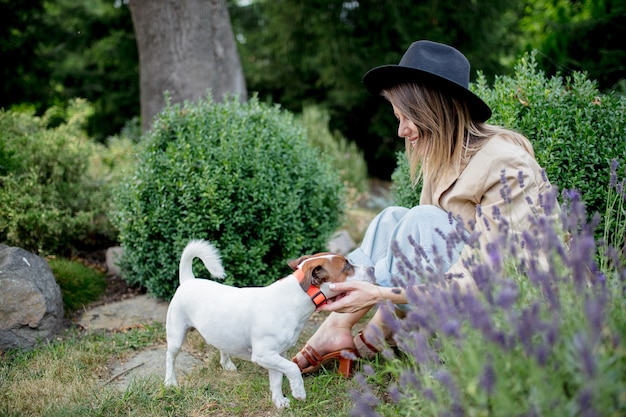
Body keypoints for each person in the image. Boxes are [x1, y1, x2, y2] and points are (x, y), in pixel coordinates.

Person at [291, 40, 556, 377]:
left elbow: (485, 277)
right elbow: (414, 257)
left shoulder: (505, 164)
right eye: (398, 117)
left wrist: (377, 292)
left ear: (436, 110)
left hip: (514, 310)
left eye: (407, 117)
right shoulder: (444, 155)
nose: (401, 130)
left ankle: (353, 319)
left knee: (419, 220)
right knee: (392, 219)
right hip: (457, 293)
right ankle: (338, 328)